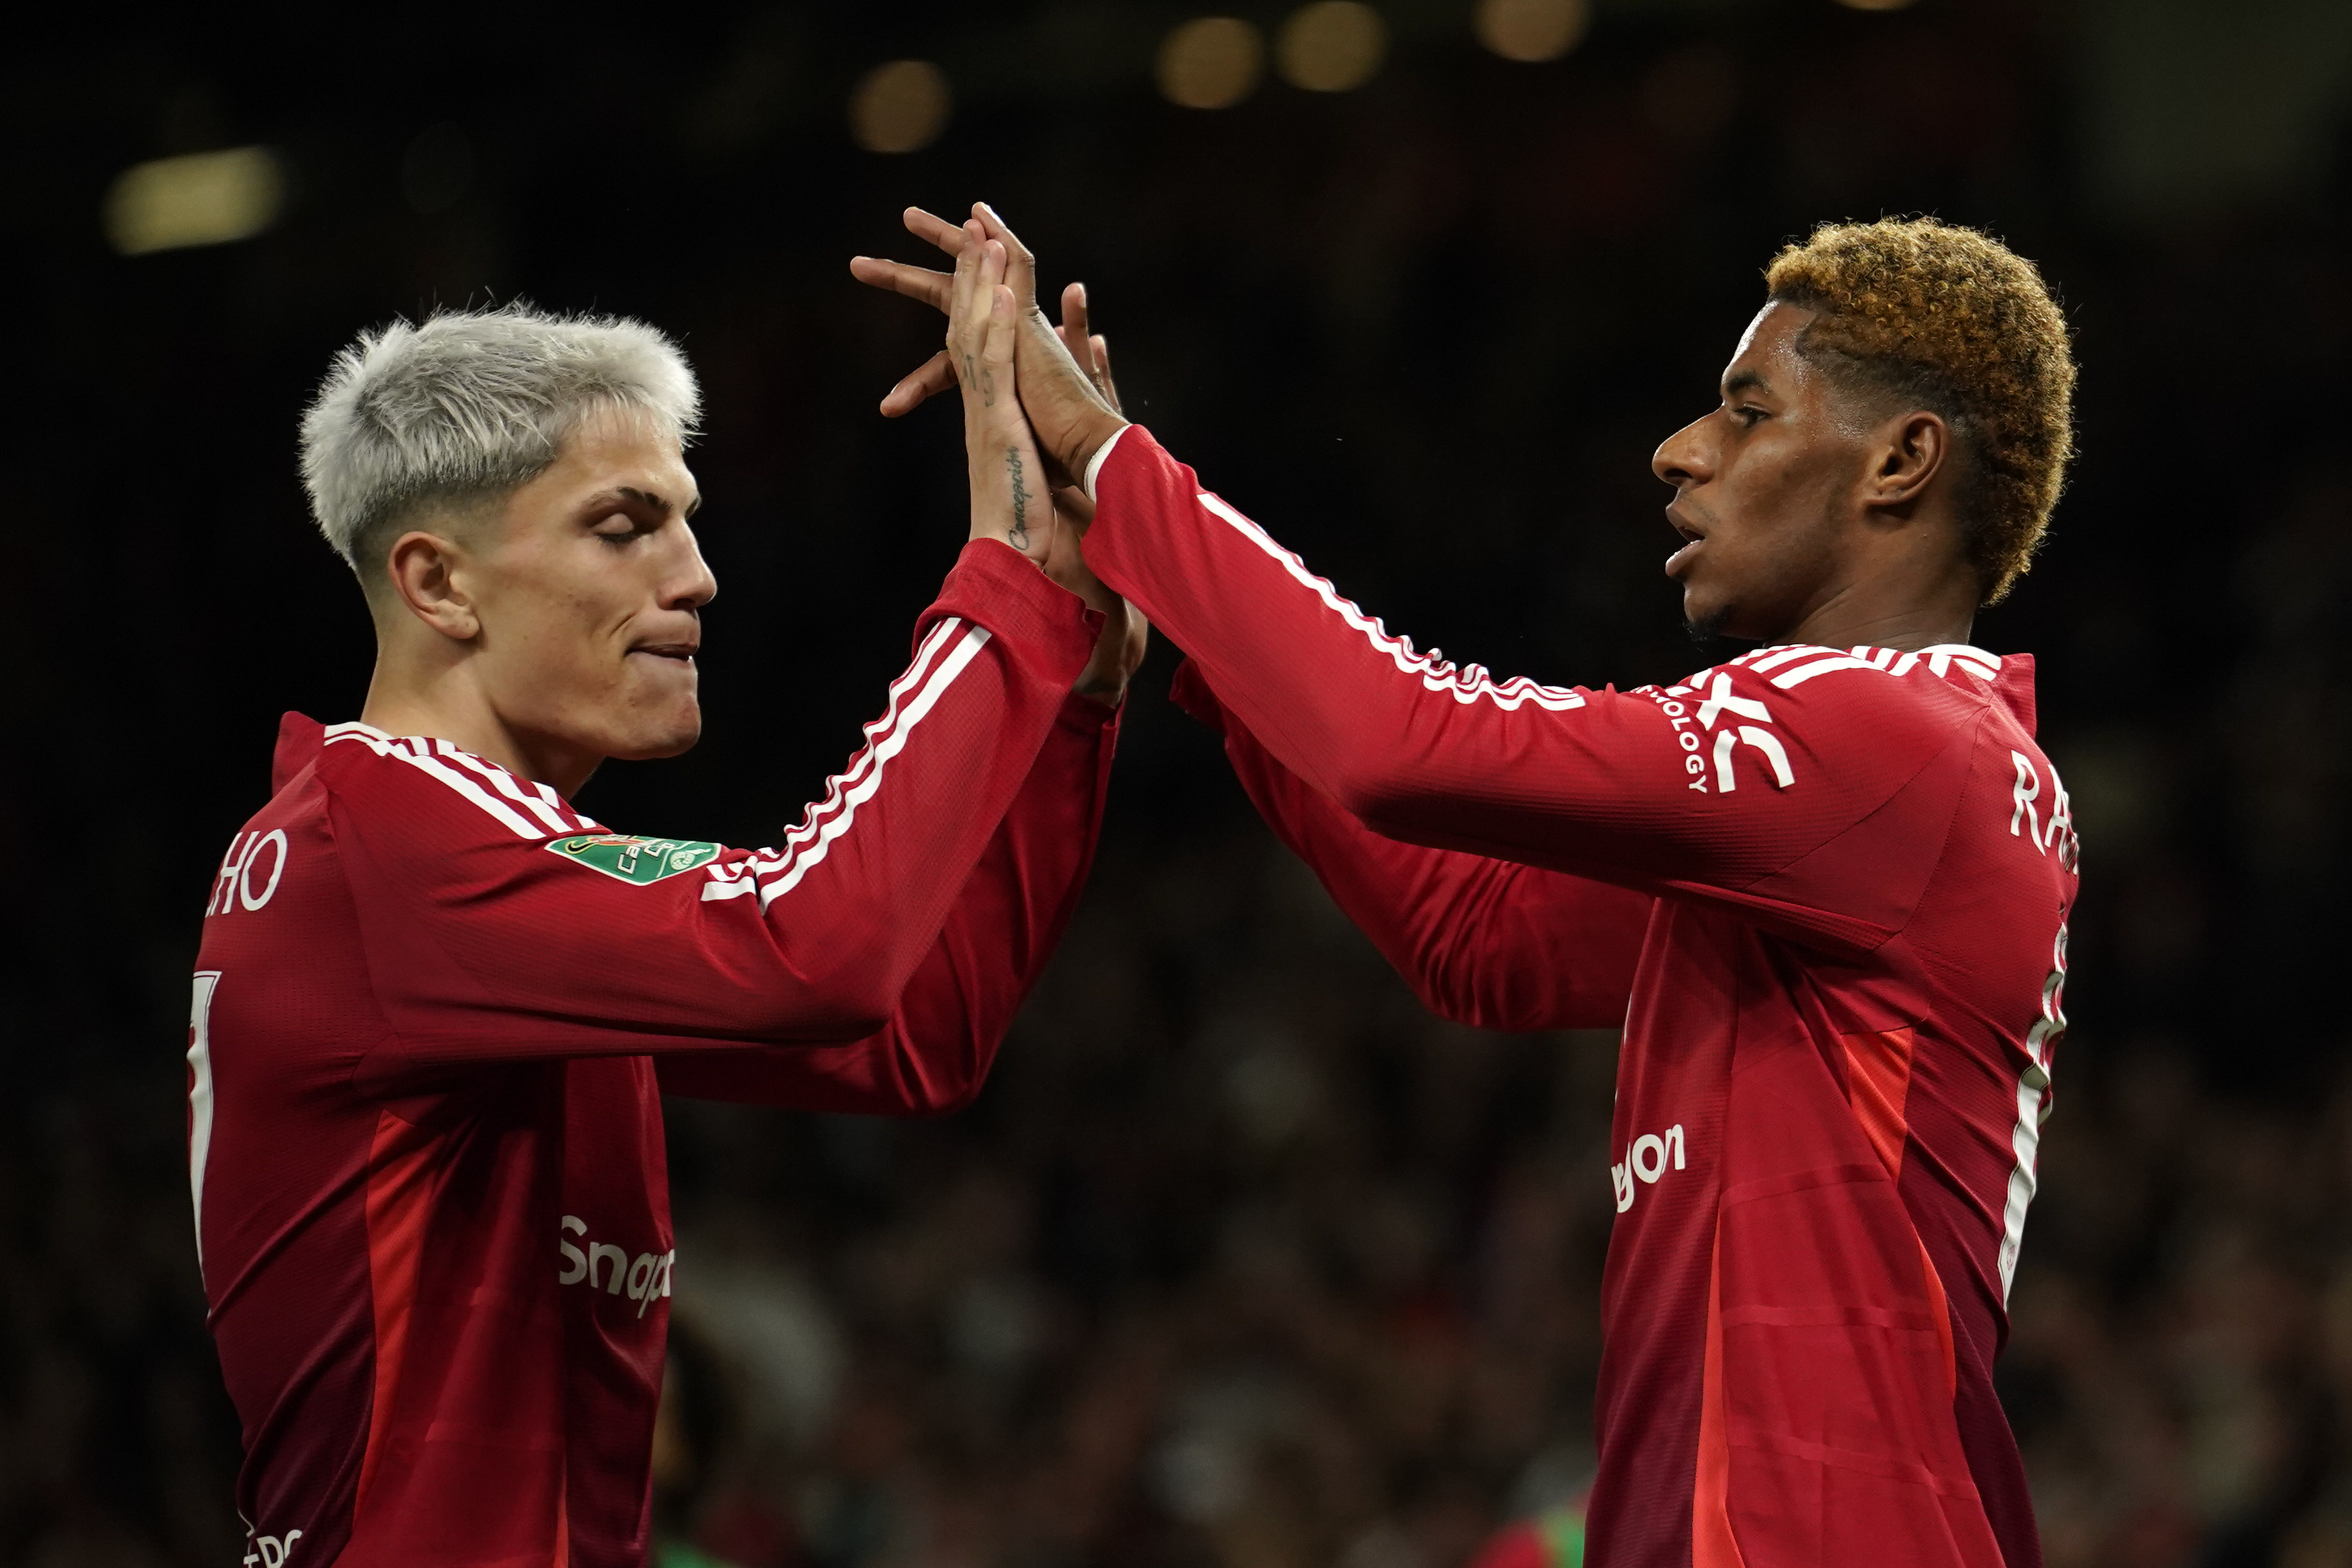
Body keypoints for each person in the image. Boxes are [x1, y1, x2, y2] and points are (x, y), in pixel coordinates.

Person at [857, 208, 2078, 1567]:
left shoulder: (1893, 743)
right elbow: (1479, 937)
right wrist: (1176, 611)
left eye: (1748, 412)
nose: (1682, 450)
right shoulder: (1870, 806)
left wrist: (1104, 450)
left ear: (1900, 461)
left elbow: (1406, 740)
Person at [187, 271, 1142, 1565]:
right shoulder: (384, 843)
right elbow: (816, 953)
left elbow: (917, 1036)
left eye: (686, 524)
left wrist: (1076, 692)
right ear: (440, 584)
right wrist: (1010, 577)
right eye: (623, 528)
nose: (696, 578)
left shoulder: (458, 880)